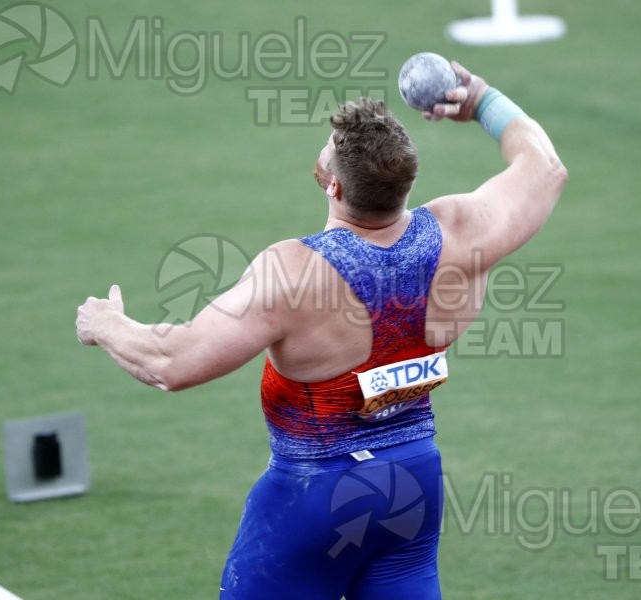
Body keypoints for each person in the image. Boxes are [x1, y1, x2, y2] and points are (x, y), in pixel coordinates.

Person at [76, 61, 567, 599]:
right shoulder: (463, 231)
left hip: (312, 496)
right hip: (412, 483)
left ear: (333, 184)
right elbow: (544, 167)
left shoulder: (293, 273)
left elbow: (171, 364)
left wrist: (106, 324)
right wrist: (479, 99)